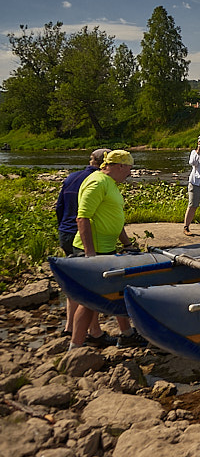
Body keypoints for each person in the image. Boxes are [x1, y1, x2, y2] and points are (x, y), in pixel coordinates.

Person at [70, 150, 147, 350]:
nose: (130, 173)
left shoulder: (110, 183)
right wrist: (90, 254)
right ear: (119, 166)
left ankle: (127, 334)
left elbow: (113, 217)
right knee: (89, 301)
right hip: (94, 252)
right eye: (129, 168)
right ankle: (76, 346)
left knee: (118, 292)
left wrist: (127, 244)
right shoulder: (97, 182)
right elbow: (83, 217)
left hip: (107, 249)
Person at [55, 148, 114, 345]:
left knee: (75, 284)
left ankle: (69, 326)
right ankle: (93, 332)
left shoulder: (72, 177)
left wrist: (62, 227)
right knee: (91, 288)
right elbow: (88, 215)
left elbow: (59, 207)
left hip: (66, 231)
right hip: (84, 235)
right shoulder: (99, 180)